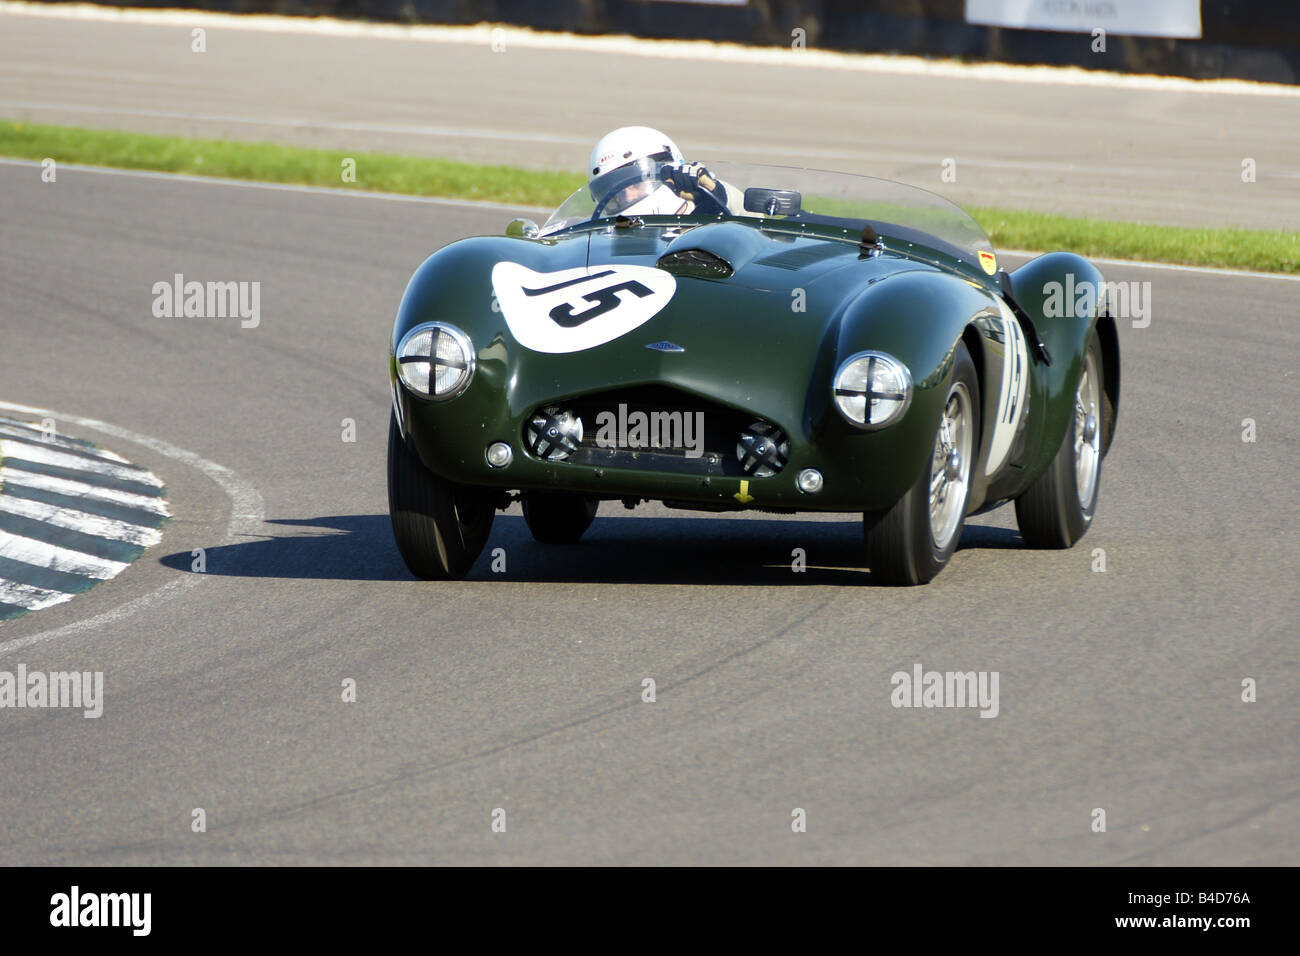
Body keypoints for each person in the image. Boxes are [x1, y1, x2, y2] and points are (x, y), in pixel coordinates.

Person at [587, 126, 744, 217]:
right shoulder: (606, 236)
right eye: (616, 193)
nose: (627, 196)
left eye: (635, 185)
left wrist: (717, 194)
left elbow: (757, 233)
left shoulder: (707, 214)